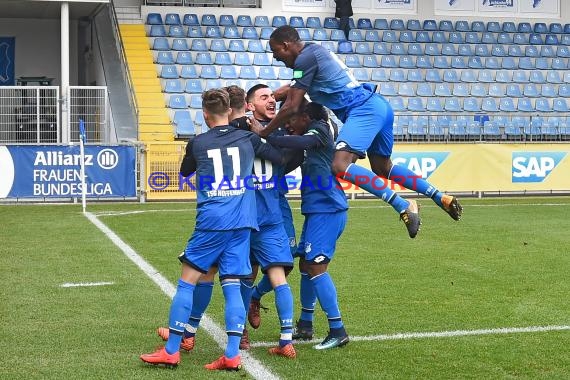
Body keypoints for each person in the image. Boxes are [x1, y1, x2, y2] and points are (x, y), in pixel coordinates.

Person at [253, 25, 463, 239]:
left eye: (275, 51)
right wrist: (254, 101)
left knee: (339, 164)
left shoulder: (304, 59)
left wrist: (263, 131)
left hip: (363, 109)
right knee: (383, 167)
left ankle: (403, 205)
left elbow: (292, 106)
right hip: (378, 105)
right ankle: (440, 197)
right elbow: (285, 91)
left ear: (285, 45)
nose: (275, 57)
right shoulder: (312, 54)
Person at [140, 89, 284, 370]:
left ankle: (172, 350)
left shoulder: (198, 142)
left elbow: (184, 172)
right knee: (232, 286)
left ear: (205, 115)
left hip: (212, 222)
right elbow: (278, 157)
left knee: (187, 281)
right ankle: (231, 355)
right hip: (243, 222)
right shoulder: (248, 138)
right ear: (230, 112)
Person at [264, 102, 349, 349]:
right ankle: (305, 324)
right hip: (318, 209)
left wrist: (265, 133)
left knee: (316, 266)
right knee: (305, 264)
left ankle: (337, 329)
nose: (289, 125)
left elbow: (300, 143)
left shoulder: (320, 128)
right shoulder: (313, 133)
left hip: (328, 209)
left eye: (291, 119)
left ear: (305, 117)